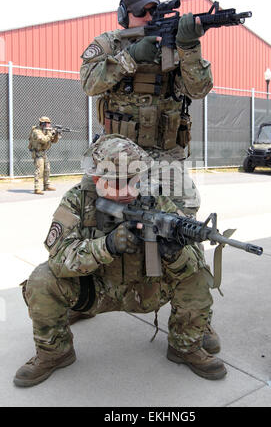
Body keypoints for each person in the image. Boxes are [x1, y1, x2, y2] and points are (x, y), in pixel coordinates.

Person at [14, 135, 226, 387]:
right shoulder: (77, 200)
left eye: (132, 180)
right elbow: (59, 258)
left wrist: (174, 252)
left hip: (148, 289)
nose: (126, 192)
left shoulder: (156, 200)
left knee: (197, 274)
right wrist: (107, 246)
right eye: (116, 183)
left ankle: (185, 346)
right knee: (41, 280)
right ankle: (55, 352)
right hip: (97, 291)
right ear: (95, 178)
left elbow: (192, 263)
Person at [80, 0, 218, 340]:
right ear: (125, 14)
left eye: (154, 10)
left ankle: (193, 321)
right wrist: (130, 56)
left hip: (167, 159)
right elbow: (89, 82)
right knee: (91, 223)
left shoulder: (173, 44)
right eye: (141, 11)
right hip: (118, 158)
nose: (148, 16)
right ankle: (80, 297)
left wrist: (188, 46)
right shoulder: (110, 42)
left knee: (185, 230)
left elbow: (199, 89)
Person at [28, 116, 61, 195]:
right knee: (39, 170)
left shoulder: (46, 131)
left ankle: (46, 185)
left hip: (43, 152)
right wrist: (51, 133)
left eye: (49, 123)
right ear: (42, 123)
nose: (49, 125)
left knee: (47, 169)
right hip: (37, 152)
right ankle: (37, 188)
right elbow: (43, 140)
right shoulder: (36, 131)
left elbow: (53, 141)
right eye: (47, 123)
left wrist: (56, 134)